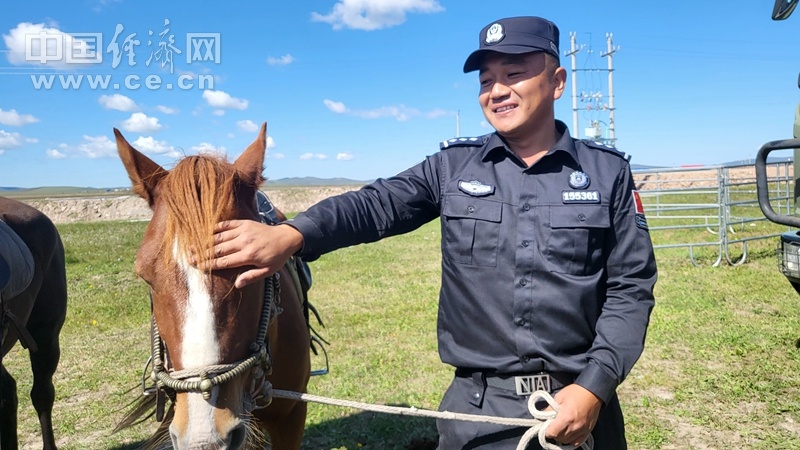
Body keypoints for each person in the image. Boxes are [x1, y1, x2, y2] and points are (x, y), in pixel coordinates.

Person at [202, 15, 657, 450]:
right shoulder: (452, 168)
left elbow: (630, 289)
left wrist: (593, 388)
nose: (496, 91)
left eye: (514, 73)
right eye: (484, 81)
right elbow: (376, 203)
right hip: (478, 412)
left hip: (582, 408)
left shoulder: (607, 174)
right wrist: (294, 235)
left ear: (557, 81)